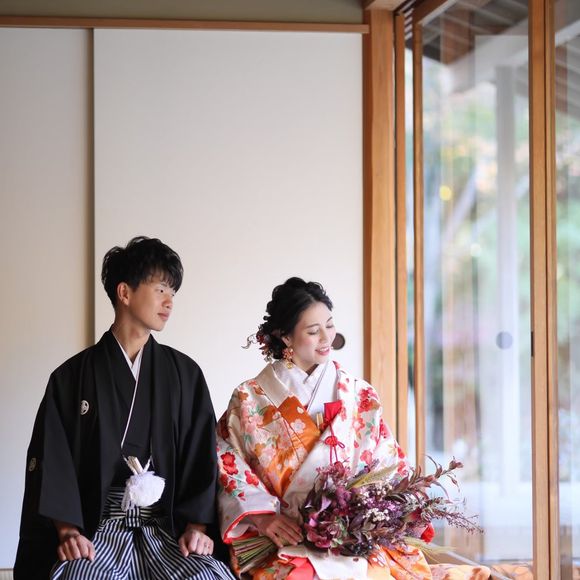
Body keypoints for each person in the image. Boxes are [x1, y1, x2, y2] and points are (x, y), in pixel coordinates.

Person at [216, 278, 490, 580]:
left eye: (330, 325)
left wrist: (377, 513)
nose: (326, 338)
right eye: (313, 331)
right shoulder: (249, 398)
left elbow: (387, 461)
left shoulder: (358, 393)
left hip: (354, 534)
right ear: (285, 337)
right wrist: (262, 518)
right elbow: (228, 465)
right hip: (283, 536)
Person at [14, 236, 235, 580]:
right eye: (160, 289)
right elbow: (54, 459)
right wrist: (68, 532)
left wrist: (196, 526)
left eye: (173, 293)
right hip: (96, 529)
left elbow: (200, 456)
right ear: (125, 293)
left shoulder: (184, 374)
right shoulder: (71, 377)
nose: (169, 302)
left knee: (207, 576)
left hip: (167, 529)